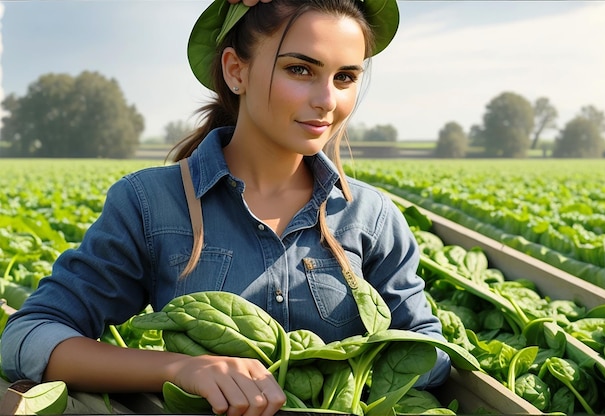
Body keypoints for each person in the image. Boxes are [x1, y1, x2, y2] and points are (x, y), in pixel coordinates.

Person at [1, 0, 452, 415]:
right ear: (236, 71)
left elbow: (430, 354)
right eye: (300, 69)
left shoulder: (370, 216)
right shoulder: (152, 203)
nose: (327, 101)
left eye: (345, 77)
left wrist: (346, 367)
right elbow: (30, 335)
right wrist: (179, 369)